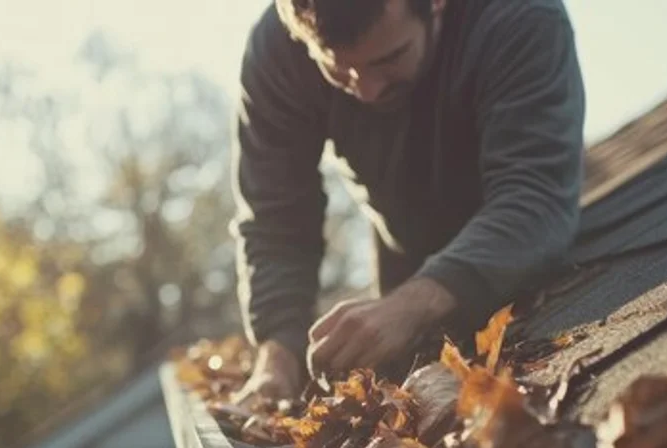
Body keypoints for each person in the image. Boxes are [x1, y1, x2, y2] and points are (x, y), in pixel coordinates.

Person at [230, 0, 586, 401]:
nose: (367, 91)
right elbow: (276, 217)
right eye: (337, 69)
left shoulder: (521, 16)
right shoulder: (278, 48)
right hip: (403, 259)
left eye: (390, 58)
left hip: (522, 257)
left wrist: (414, 303)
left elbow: (534, 196)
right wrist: (277, 353)